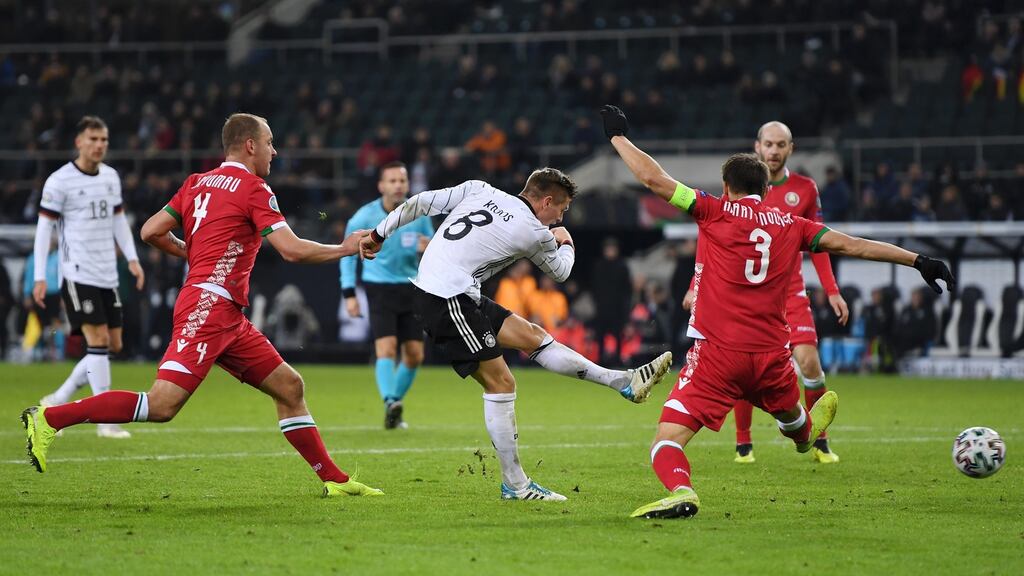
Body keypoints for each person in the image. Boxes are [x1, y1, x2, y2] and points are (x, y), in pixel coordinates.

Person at [600, 105, 954, 519]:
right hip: (772, 358)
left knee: (667, 441)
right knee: (796, 425)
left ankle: (682, 490)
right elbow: (854, 244)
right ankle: (807, 434)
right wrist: (918, 261)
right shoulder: (793, 224)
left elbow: (652, 179)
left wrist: (618, 138)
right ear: (766, 188)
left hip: (718, 356)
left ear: (725, 186)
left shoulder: (711, 210)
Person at [22, 113, 383, 499]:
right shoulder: (254, 188)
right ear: (250, 146)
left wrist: (190, 253)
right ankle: (48, 418)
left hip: (224, 313)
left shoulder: (197, 183)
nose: (274, 151)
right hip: (208, 307)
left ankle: (335, 480)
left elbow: (149, 231)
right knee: (162, 405)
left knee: (290, 387)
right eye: (269, 142)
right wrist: (345, 248)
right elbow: (291, 250)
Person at [359, 168, 673, 502]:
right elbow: (562, 272)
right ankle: (516, 484)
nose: (560, 216)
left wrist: (379, 234)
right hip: (446, 297)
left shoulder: (479, 187)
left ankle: (622, 382)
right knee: (502, 384)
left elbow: (421, 202)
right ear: (547, 201)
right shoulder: (534, 231)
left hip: (457, 292)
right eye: (562, 209)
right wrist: (565, 240)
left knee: (533, 336)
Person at [730, 121, 849, 464]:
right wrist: (698, 284)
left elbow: (820, 244)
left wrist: (833, 291)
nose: (774, 150)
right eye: (769, 144)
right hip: (750, 290)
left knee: (809, 361)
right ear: (757, 146)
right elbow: (717, 236)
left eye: (781, 144)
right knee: (744, 366)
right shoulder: (740, 185)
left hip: (791, 289)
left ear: (790, 149)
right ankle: (743, 444)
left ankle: (820, 440)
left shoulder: (806, 190)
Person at [33, 116, 145, 439]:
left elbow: (119, 222)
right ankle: (105, 421)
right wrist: (41, 276)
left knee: (113, 344)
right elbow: (44, 230)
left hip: (107, 274)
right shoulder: (59, 181)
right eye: (93, 139)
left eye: (104, 140)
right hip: (77, 273)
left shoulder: (110, 178)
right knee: (97, 343)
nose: (99, 145)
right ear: (79, 142)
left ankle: (57, 400)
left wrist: (133, 259)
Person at [340, 161, 434, 429]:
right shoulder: (363, 218)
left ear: (408, 184)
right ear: (381, 186)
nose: (397, 186)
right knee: (387, 348)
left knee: (415, 354)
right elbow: (346, 256)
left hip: (412, 287)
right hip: (379, 287)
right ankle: (391, 402)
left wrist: (429, 246)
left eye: (401, 181)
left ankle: (393, 404)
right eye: (391, 181)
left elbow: (436, 245)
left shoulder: (419, 215)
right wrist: (349, 293)